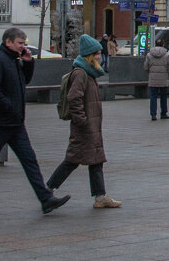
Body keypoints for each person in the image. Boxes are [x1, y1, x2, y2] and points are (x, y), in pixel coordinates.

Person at [0, 27, 70, 217]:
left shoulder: (14, 61)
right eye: (20, 43)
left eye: (24, 43)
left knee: (29, 160)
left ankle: (45, 199)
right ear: (8, 42)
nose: (23, 47)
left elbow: (23, 81)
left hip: (15, 124)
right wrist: (8, 106)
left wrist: (29, 63)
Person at [46, 34, 121, 208]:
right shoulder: (81, 73)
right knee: (72, 161)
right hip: (85, 127)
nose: (99, 57)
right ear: (89, 55)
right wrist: (82, 121)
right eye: (96, 54)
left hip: (90, 126)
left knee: (96, 160)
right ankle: (48, 188)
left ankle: (100, 197)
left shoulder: (89, 72)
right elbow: (74, 98)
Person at [143, 39, 169, 121]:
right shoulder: (167, 54)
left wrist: (149, 72)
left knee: (153, 96)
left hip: (153, 78)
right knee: (163, 96)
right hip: (163, 78)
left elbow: (145, 67)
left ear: (155, 45)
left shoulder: (149, 55)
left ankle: (153, 114)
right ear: (163, 45)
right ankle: (163, 113)